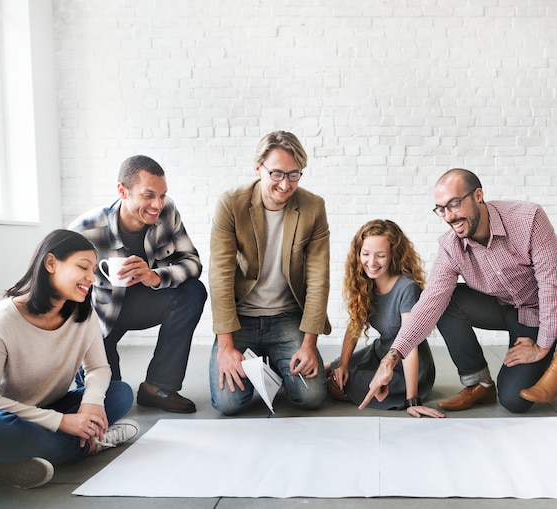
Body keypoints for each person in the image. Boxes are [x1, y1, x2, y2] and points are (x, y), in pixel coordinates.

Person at [0, 230, 139, 489]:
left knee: (119, 393)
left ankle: (11, 461)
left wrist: (92, 403)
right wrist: (62, 422)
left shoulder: (82, 314)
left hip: (36, 411)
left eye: (94, 269)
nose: (91, 277)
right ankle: (87, 447)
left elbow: (97, 367)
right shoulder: (0, 320)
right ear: (51, 263)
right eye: (83, 267)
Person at [361, 168, 557, 414]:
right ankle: (480, 384)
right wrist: (390, 359)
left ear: (478, 195)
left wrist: (542, 345)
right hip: (506, 308)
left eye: (454, 204)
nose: (449, 216)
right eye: (441, 209)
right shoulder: (451, 247)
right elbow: (429, 303)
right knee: (444, 301)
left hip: (543, 308)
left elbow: (551, 287)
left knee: (513, 401)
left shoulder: (528, 219)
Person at [70, 155, 207, 414]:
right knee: (112, 402)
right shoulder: (84, 230)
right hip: (100, 318)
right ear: (123, 191)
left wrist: (156, 276)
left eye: (163, 195)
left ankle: (158, 387)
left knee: (193, 291)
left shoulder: (167, 212)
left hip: (145, 303)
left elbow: (192, 262)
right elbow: (64, 295)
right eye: (149, 195)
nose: (158, 204)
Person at [208, 130, 330, 415]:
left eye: (294, 174)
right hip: (241, 319)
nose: (285, 185)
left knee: (310, 397)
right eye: (276, 173)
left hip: (286, 317)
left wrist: (309, 344)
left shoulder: (313, 207)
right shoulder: (231, 204)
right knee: (229, 403)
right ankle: (264, 362)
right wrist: (226, 347)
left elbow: (318, 279)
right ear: (258, 169)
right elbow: (220, 277)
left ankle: (276, 360)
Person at [327, 219, 443, 418]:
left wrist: (412, 400)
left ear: (393, 256)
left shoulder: (407, 288)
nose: (371, 263)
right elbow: (354, 325)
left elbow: (410, 345)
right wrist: (344, 364)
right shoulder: (365, 283)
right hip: (379, 352)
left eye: (380, 256)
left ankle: (397, 393)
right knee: (333, 370)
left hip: (408, 364)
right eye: (365, 254)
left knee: (340, 385)